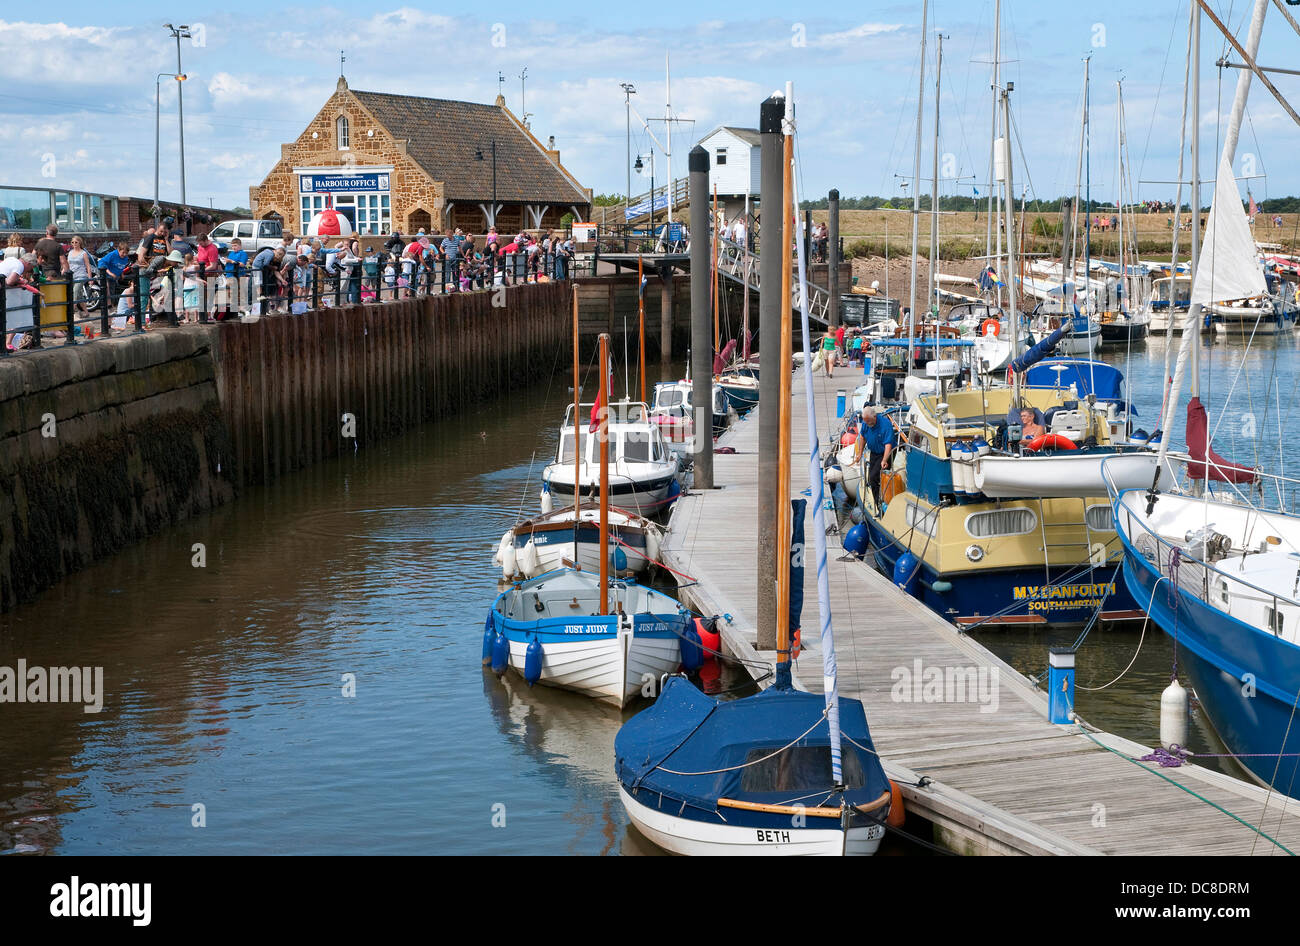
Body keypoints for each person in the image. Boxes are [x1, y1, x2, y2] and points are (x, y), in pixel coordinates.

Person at [854, 407, 896, 510]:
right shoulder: (866, 423)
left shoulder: (885, 424)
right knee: (871, 479)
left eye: (869, 421)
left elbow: (888, 445)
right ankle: (880, 502)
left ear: (874, 416)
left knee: (874, 478)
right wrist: (859, 453)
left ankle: (881, 506)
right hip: (874, 452)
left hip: (886, 452)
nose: (867, 423)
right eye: (865, 421)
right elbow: (863, 437)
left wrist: (884, 460)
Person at [3, 253, 38, 349]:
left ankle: (6, 343)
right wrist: (22, 284)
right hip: (4, 293)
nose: (29, 270)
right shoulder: (19, 266)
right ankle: (7, 344)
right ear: (28, 264)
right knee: (15, 317)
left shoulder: (11, 259)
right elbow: (9, 282)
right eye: (31, 268)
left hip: (4, 292)